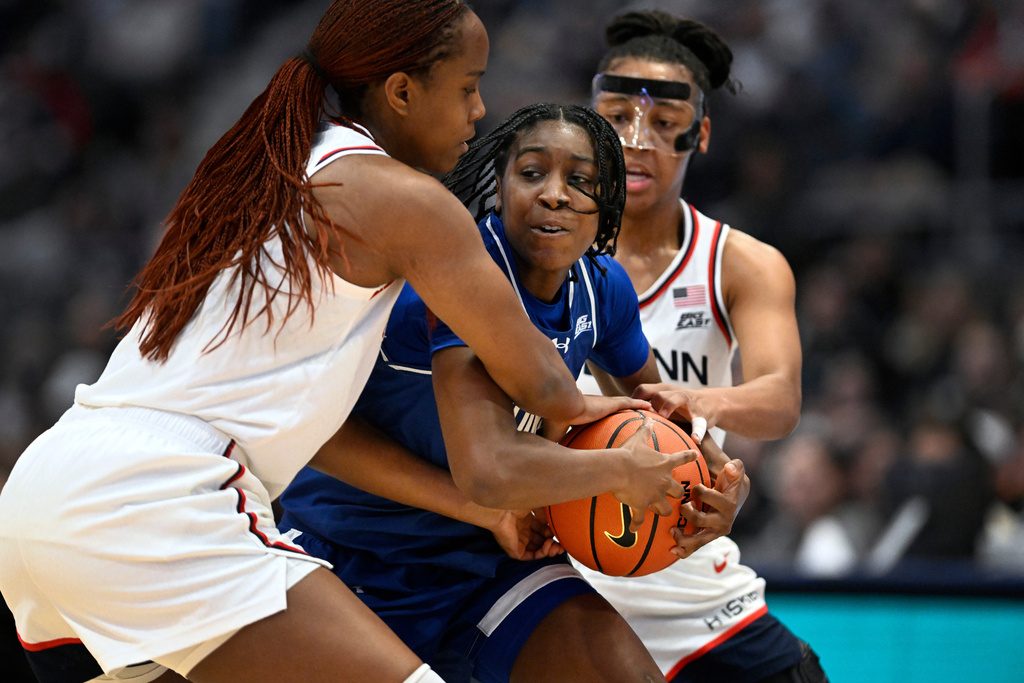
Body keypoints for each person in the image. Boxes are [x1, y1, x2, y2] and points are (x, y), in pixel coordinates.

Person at [0, 3, 628, 682]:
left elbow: (323, 438)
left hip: (47, 494)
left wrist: (481, 512)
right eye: (468, 86)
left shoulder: (267, 168)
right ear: (402, 91)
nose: (480, 111)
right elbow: (546, 388)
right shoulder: (406, 201)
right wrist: (649, 457)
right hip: (163, 497)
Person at [277, 102, 747, 683]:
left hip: (486, 561)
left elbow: (655, 414)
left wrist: (712, 484)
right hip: (342, 547)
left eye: (579, 180)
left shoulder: (602, 289)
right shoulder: (449, 281)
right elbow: (319, 437)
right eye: (532, 173)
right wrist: (580, 482)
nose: (553, 194)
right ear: (498, 187)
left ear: (607, 208)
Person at [574, 10, 829, 682]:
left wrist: (693, 399)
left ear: (702, 133)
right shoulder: (527, 253)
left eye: (663, 124)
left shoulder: (741, 262)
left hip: (685, 565)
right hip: (555, 574)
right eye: (619, 113)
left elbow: (780, 399)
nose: (638, 139)